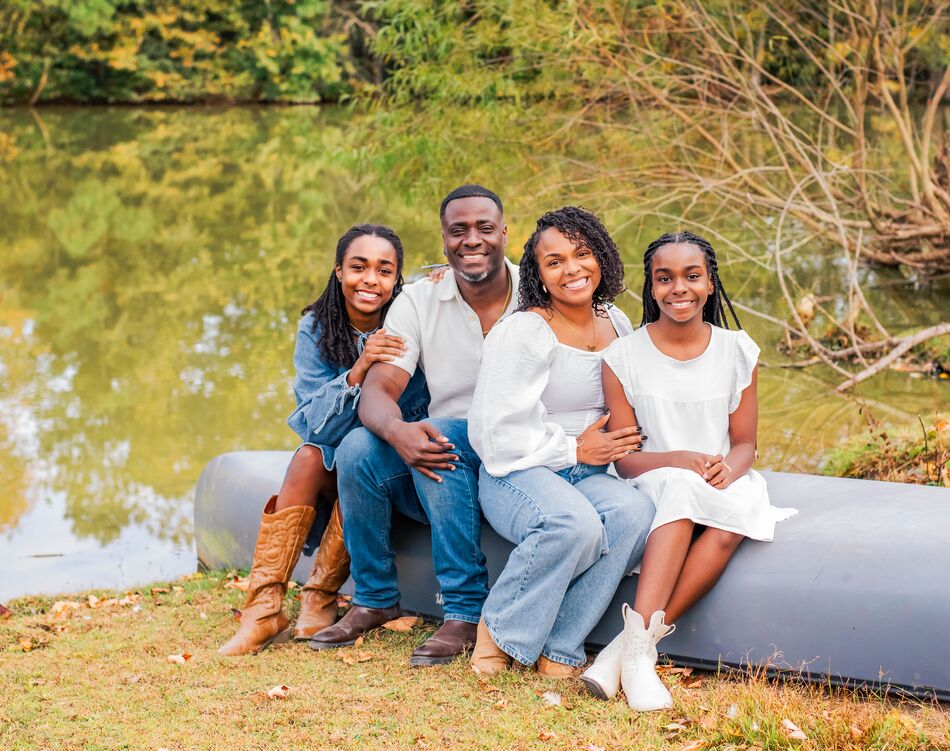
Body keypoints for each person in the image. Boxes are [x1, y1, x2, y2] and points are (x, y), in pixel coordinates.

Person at [580, 231, 797, 710]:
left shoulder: (738, 351)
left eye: (692, 276)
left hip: (716, 475)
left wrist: (729, 470)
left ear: (711, 283)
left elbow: (745, 444)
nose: (680, 288)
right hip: (652, 475)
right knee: (679, 487)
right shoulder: (622, 357)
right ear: (651, 287)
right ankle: (638, 659)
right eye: (665, 278)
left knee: (729, 523)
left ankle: (632, 649)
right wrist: (679, 460)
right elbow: (625, 456)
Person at [309, 185, 518, 666]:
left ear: (505, 233)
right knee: (362, 445)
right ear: (443, 240)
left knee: (439, 431)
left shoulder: (539, 289)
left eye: (485, 228)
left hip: (522, 451)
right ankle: (376, 598)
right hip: (447, 450)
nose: (472, 240)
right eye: (458, 230)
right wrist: (400, 431)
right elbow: (379, 392)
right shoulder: (418, 301)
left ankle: (465, 611)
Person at [218, 224, 428, 656]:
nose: (371, 279)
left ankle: (320, 594)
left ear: (397, 280)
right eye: (358, 267)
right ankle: (264, 609)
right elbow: (314, 425)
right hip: (335, 453)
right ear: (338, 271)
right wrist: (359, 368)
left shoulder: (411, 320)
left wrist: (442, 276)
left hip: (393, 461)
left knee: (357, 457)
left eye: (384, 270)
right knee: (310, 456)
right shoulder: (317, 327)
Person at [467, 206, 655, 678]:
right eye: (555, 262)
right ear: (540, 275)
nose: (572, 269)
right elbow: (494, 434)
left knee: (635, 514)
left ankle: (561, 646)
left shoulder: (617, 321)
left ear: (602, 257)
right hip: (519, 471)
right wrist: (574, 450)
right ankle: (499, 630)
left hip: (591, 472)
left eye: (582, 253)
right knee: (574, 525)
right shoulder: (524, 331)